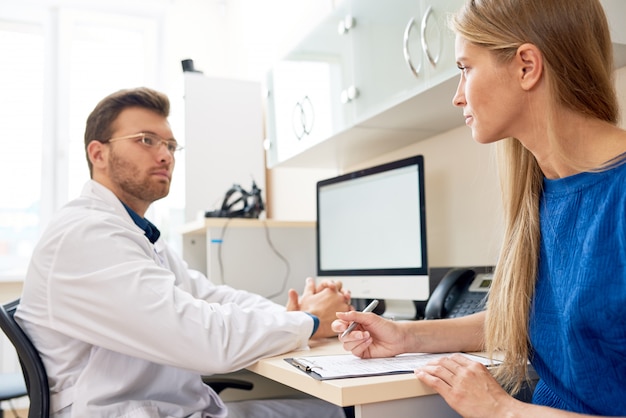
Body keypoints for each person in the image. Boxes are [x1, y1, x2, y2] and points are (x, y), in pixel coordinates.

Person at [333, 0, 626, 416]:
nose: (457, 96)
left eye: (465, 68)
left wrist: (502, 409)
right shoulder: (544, 189)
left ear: (526, 66)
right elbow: (527, 317)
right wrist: (405, 337)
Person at [16, 86, 353, 418]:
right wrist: (308, 321)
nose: (165, 156)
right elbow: (208, 341)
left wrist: (293, 313)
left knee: (338, 409)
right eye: (146, 140)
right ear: (98, 153)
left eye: (171, 145)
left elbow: (211, 297)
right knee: (347, 412)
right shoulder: (88, 234)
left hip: (165, 408)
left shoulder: (133, 232)